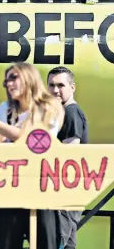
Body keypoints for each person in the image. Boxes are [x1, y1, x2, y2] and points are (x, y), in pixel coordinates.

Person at [0, 63, 64, 249]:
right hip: (10, 186)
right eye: (6, 80)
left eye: (13, 78)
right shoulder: (6, 108)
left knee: (45, 241)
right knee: (5, 242)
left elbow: (33, 140)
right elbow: (0, 144)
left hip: (41, 187)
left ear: (29, 79)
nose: (8, 84)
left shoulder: (50, 107)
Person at [48, 67, 88, 249]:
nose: (55, 90)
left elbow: (69, 155)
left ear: (72, 87)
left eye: (60, 85)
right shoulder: (61, 113)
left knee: (61, 241)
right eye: (51, 85)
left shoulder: (71, 113)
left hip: (65, 193)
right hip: (64, 194)